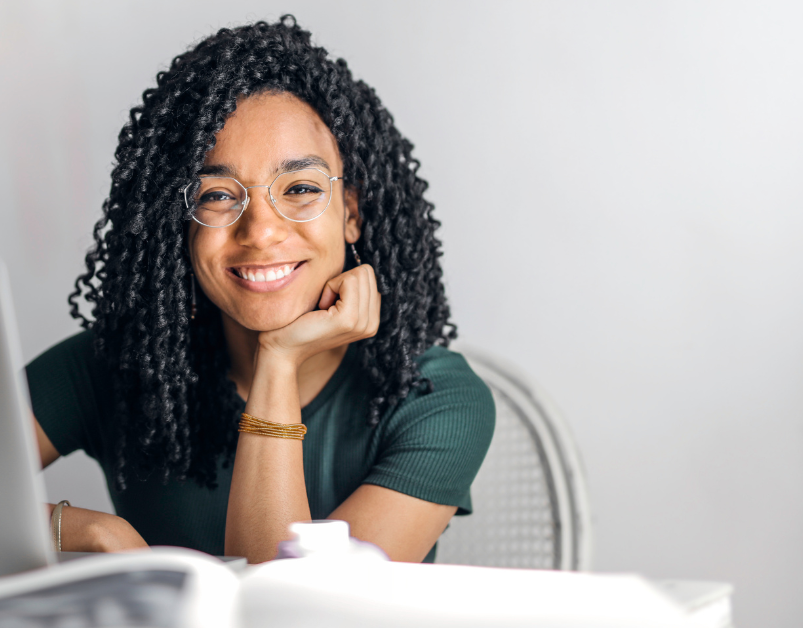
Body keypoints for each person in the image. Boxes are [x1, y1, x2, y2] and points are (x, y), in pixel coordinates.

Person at [25, 16, 494, 564]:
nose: (262, 231)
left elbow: (292, 611)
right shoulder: (116, 364)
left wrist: (278, 361)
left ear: (351, 213)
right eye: (218, 196)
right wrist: (82, 530)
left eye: (299, 188)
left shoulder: (434, 399)